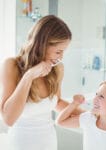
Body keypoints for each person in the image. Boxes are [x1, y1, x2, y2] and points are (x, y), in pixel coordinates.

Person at [0, 15, 83, 150]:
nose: (61, 57)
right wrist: (29, 76)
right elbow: (8, 119)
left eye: (63, 52)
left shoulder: (57, 69)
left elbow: (57, 102)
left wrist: (89, 115)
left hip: (48, 142)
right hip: (20, 143)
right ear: (42, 45)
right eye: (58, 51)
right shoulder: (11, 66)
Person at [56, 81, 106, 150]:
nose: (94, 99)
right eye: (96, 94)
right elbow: (60, 122)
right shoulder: (89, 118)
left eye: (101, 96)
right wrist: (74, 103)